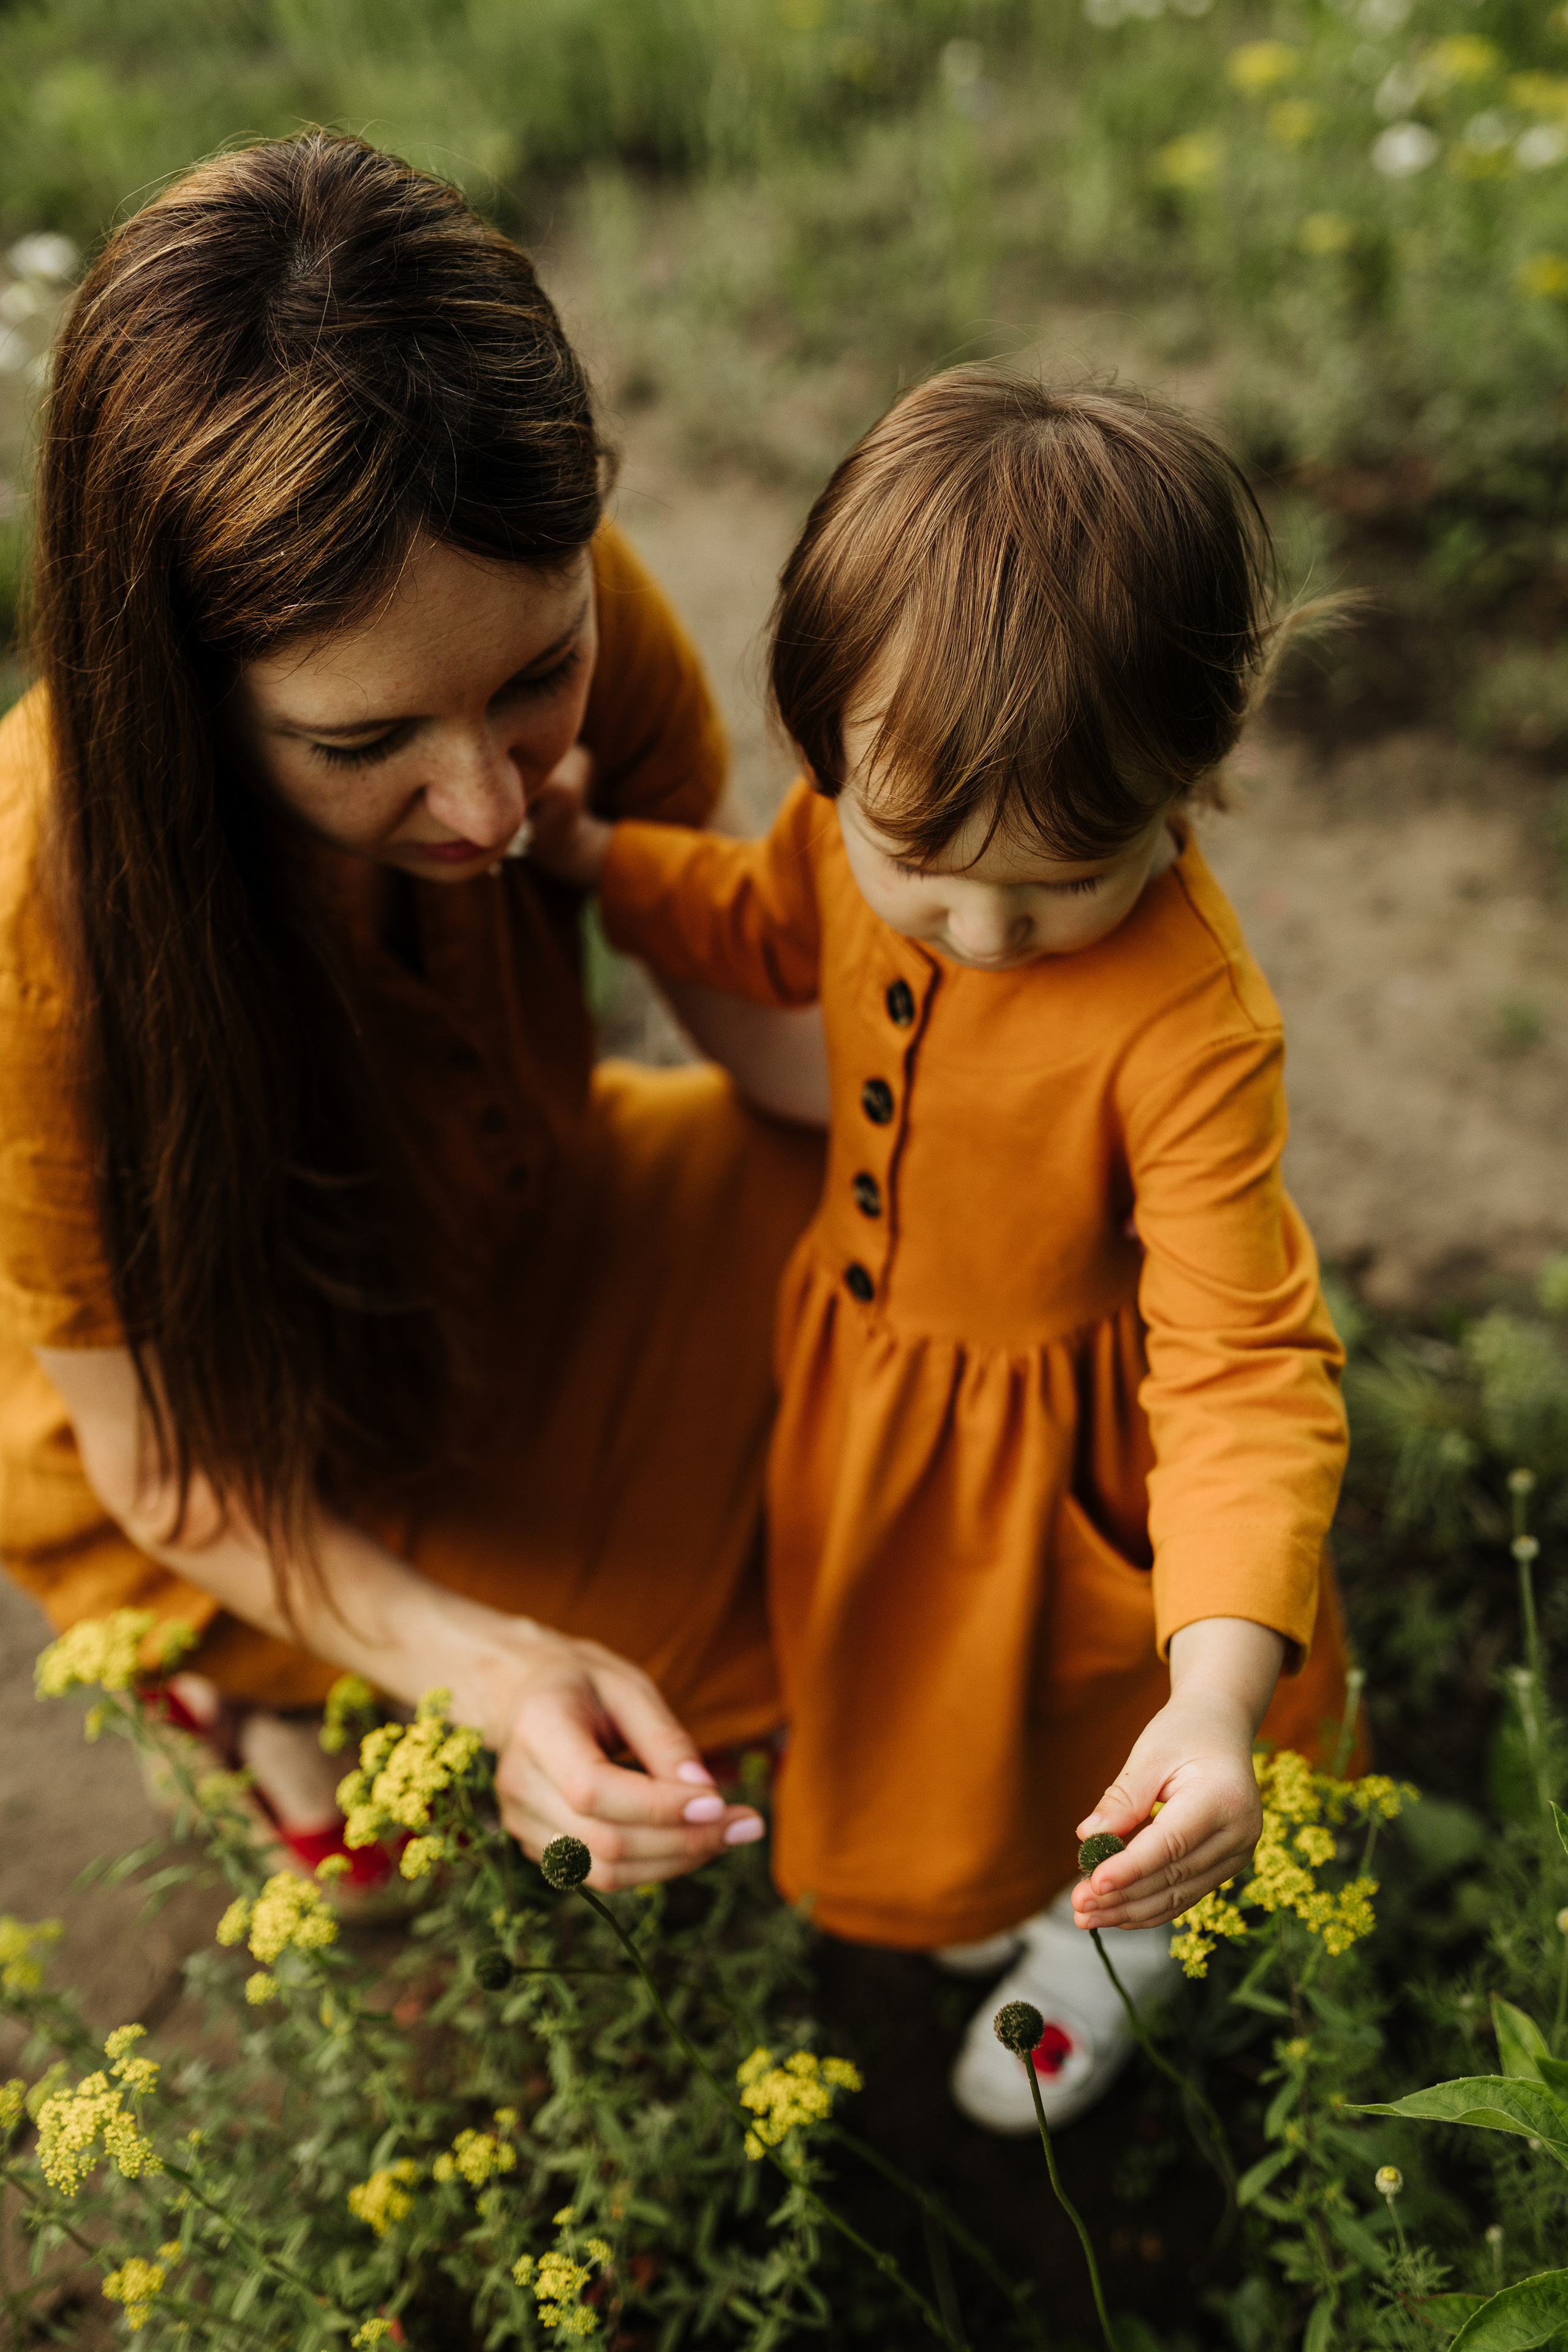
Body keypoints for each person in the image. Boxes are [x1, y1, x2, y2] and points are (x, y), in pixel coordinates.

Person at [526, 368, 1357, 2132]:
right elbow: (754, 918)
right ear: (832, 754)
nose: (984, 928)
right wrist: (603, 859)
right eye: (923, 862)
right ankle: (993, 1888)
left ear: (1189, 776)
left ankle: (1119, 1927)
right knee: (928, 1701)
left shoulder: (1191, 1027)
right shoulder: (843, 832)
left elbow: (1244, 1357)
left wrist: (1217, 1691)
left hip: (1087, 1483)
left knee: (1081, 1719)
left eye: (1071, 878)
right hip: (884, 1406)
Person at [0, 132, 829, 1891]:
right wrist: (491, 1662)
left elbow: (772, 1041)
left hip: (533, 1231)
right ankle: (267, 1685)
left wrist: (1085, 1092)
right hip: (244, 1456)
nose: (487, 804)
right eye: (362, 743)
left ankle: (350, 1689)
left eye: (537, 680)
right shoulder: (34, 916)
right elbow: (165, 1461)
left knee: (963, 1304)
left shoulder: (606, 630)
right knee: (657, 1698)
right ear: (186, 702)